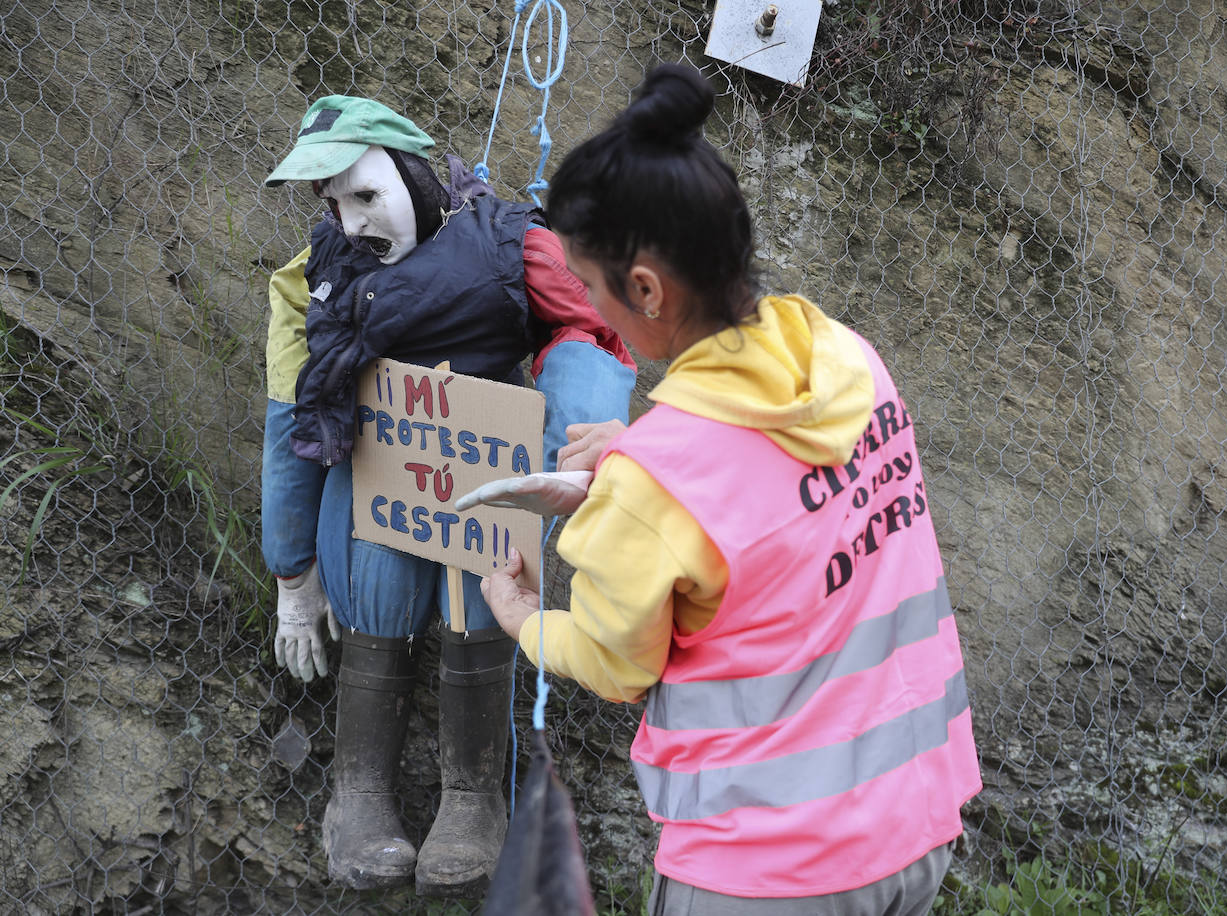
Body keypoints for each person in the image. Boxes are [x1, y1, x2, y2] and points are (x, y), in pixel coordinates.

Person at [479, 64, 982, 915]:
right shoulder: (849, 361)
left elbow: (615, 663)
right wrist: (643, 453)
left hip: (769, 869)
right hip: (915, 828)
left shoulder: (657, 481)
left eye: (590, 288)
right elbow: (778, 493)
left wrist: (524, 618)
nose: (588, 304)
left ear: (643, 290)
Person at [258, 95, 636, 896]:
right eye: (332, 203)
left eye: (365, 195)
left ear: (412, 174)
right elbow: (291, 407)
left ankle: (472, 799)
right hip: (375, 471)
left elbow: (589, 331)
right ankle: (357, 794)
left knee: (486, 584)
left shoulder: (512, 245)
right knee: (379, 580)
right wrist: (292, 572)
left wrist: (574, 446)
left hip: (488, 463)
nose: (352, 221)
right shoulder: (317, 275)